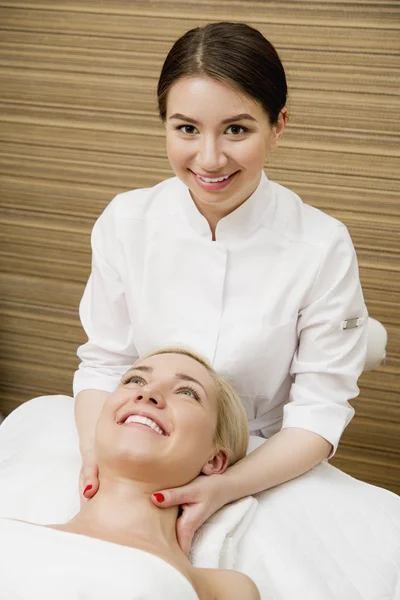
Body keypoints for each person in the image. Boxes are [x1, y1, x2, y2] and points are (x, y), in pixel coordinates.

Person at [74, 22, 368, 555]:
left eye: (236, 130)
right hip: (140, 440)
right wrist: (97, 455)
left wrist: (222, 487)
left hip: (263, 458)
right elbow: (103, 361)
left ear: (278, 126)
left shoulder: (322, 244)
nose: (209, 159)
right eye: (186, 129)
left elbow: (319, 414)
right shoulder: (127, 220)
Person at [0, 349, 259, 600]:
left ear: (214, 460)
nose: (148, 393)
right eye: (135, 380)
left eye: (187, 392)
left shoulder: (224, 589)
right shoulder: (8, 539)